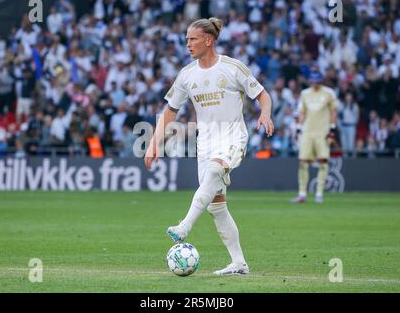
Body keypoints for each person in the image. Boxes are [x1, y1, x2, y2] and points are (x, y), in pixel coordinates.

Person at [144, 17, 274, 276]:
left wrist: (265, 114)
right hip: (205, 143)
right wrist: (153, 143)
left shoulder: (232, 67)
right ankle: (239, 263)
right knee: (216, 207)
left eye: (192, 39)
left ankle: (184, 226)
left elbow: (262, 94)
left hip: (233, 137)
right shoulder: (187, 75)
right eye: (186, 40)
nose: (188, 44)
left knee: (216, 170)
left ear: (208, 40)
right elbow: (170, 111)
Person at [291, 71, 338, 203]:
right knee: (303, 162)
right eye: (313, 81)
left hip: (323, 133)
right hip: (308, 132)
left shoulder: (329, 93)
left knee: (323, 161)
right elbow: (302, 112)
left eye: (317, 81)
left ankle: (319, 193)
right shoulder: (305, 94)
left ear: (321, 81)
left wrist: (332, 130)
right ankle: (302, 194)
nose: (314, 84)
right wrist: (299, 127)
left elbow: (334, 111)